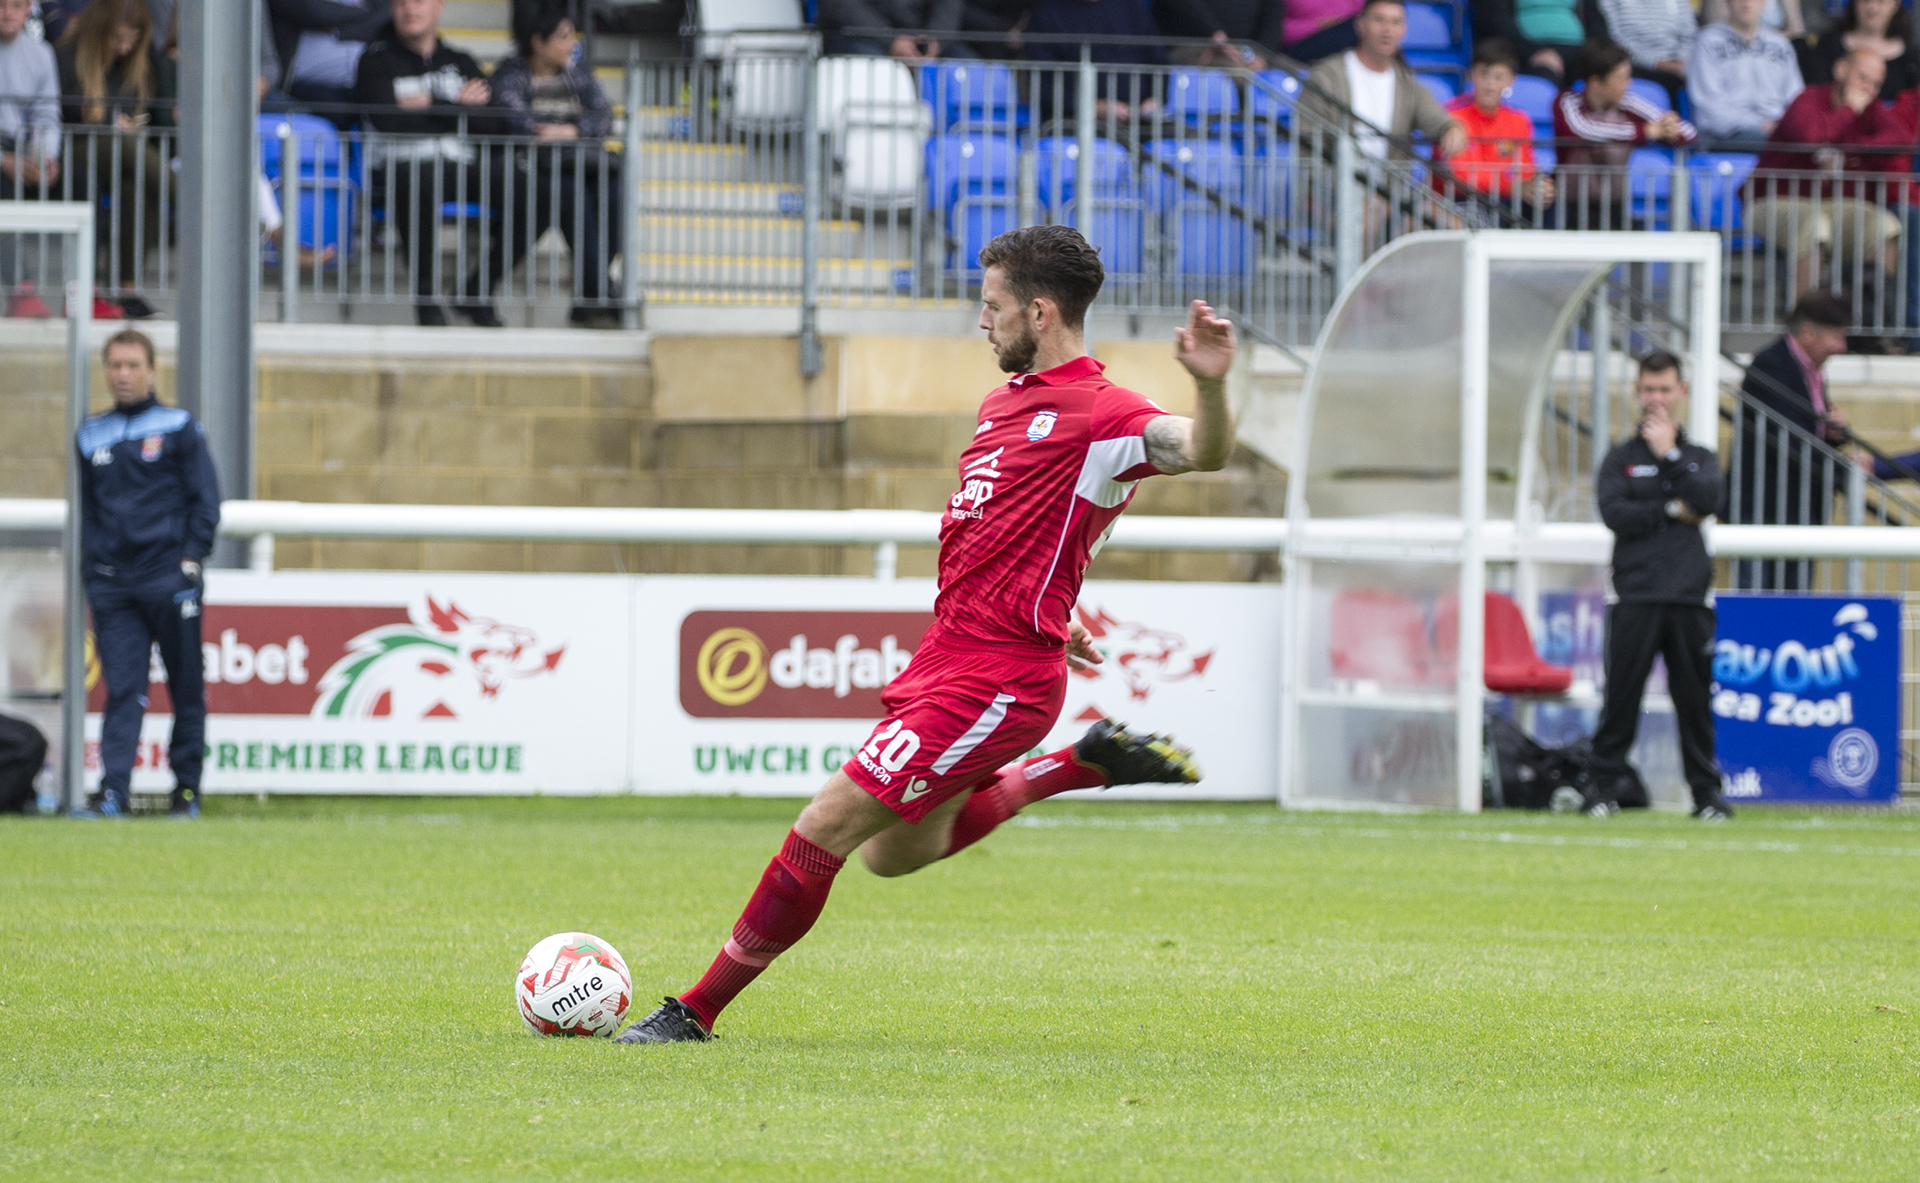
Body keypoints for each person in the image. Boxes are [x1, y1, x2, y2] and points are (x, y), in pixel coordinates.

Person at [614, 225, 1234, 1044]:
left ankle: (694, 1010)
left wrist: (1214, 390)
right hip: (950, 656)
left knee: (825, 823)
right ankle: (1077, 764)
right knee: (892, 855)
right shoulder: (1003, 404)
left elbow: (1201, 450)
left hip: (1001, 679)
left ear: (1041, 313)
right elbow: (1022, 530)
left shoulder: (1104, 412)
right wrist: (1056, 604)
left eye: (993, 307)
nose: (982, 322)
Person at [73, 328, 220, 820]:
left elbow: (206, 500)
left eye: (133, 365)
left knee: (185, 686)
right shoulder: (90, 433)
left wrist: (191, 559)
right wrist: (92, 571)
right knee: (122, 690)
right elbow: (88, 512)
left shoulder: (178, 426)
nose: (123, 375)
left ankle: (186, 793)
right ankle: (114, 792)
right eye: (115, 365)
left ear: (152, 370)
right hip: (114, 584)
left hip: (167, 578)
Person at [1589, 351, 1733, 822]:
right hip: (1636, 594)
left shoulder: (1697, 457)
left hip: (1689, 597)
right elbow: (1616, 515)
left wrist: (1669, 457)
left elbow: (1709, 499)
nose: (1655, 399)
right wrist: (1673, 510)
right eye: (1648, 389)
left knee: (1694, 702)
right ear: (1637, 391)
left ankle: (1706, 796)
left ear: (1681, 392)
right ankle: (1601, 790)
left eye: (1664, 389)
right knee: (1621, 699)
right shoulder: (1619, 458)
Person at [353, 0, 510, 327]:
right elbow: (389, 122)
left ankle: (477, 288)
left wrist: (429, 105)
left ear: (438, 6)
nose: (410, 9)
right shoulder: (375, 60)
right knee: (419, 180)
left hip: (460, 166)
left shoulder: (460, 61)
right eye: (401, 2)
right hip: (402, 167)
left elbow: (492, 124)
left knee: (540, 189)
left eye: (419, 1)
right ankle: (426, 301)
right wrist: (457, 109)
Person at [484, 2, 620, 328]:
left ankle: (593, 292)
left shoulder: (577, 73)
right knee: (570, 192)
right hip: (530, 170)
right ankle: (598, 294)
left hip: (578, 166)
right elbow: (526, 127)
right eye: (563, 37)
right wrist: (568, 128)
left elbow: (604, 116)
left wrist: (571, 130)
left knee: (615, 188)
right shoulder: (510, 75)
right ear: (537, 42)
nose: (572, 44)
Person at [1746, 49, 1907, 302]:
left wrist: (1848, 147)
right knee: (1814, 224)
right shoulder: (1808, 99)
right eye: (1863, 78)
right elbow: (1813, 136)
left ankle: (1874, 324)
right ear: (1841, 69)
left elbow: (1901, 137)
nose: (1869, 89)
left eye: (1876, 84)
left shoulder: (1872, 109)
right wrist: (1849, 110)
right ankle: (1803, 325)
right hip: (1772, 200)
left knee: (1885, 225)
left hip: (1831, 205)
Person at [1732, 294, 1852, 589]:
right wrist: (1843, 469)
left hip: (1801, 506)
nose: (1842, 347)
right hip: (1766, 508)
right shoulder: (1770, 365)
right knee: (1759, 601)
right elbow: (1785, 438)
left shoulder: (1812, 370)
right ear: (1809, 333)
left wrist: (1835, 433)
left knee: (1795, 599)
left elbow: (1809, 433)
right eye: (1837, 337)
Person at [56, 0, 166, 319]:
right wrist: (109, 125)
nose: (125, 47)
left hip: (118, 157)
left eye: (133, 40)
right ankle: (193, 196)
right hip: (74, 151)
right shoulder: (67, 57)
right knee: (128, 149)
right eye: (118, 38)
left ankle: (126, 290)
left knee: (138, 183)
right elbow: (63, 115)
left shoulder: (136, 67)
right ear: (98, 30)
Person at [1299, 0, 1467, 163]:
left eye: (1395, 22)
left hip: (1390, 190)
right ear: (1360, 25)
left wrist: (1450, 129)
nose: (1387, 30)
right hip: (1336, 189)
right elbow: (1307, 144)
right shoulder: (1325, 77)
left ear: (1404, 30)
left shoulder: (1408, 85)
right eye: (1379, 20)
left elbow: (1435, 119)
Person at [1551, 41, 1695, 229]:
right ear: (1595, 83)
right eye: (1621, 78)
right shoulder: (1566, 102)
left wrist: (1669, 127)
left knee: (1640, 242)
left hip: (1615, 208)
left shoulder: (1628, 104)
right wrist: (1645, 132)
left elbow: (1688, 132)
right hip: (1569, 210)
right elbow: (1582, 130)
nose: (1629, 83)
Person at [1435, 40, 1554, 214]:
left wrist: (1539, 188)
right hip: (1456, 201)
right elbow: (1459, 176)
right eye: (1483, 74)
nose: (1490, 84)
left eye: (1498, 77)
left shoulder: (1518, 120)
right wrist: (1512, 186)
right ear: (1471, 75)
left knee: (1544, 205)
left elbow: (1526, 170)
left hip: (1503, 200)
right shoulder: (1451, 116)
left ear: (1511, 81)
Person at [0, 0, 61, 318]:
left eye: (16, 5)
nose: (7, 12)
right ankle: (20, 287)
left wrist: (47, 156)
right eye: (1, 5)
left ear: (28, 10)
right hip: (3, 156)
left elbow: (47, 114)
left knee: (79, 182)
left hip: (24, 146)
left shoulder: (41, 54)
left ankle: (83, 290)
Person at [1025, 0, 1166, 127]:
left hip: (1138, 122)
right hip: (1072, 123)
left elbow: (1158, 60)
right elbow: (1042, 83)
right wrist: (1091, 107)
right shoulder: (1047, 13)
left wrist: (1154, 99)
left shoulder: (1132, 7)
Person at [1689, 0, 1804, 143]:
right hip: (1725, 136)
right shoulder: (1707, 42)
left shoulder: (1781, 44)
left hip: (1778, 132)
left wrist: (1784, 126)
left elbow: (1797, 100)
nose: (1747, 3)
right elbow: (1710, 111)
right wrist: (1760, 125)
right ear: (1728, 2)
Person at [271, 0, 392, 119]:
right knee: (338, 112)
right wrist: (365, 12)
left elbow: (386, 15)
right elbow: (315, 11)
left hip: (365, 82)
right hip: (307, 84)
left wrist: (338, 31)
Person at [1800, 0, 1920, 103]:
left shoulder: (1912, 57)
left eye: (1881, 1)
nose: (1872, 7)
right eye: (1865, 0)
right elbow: (1814, 95)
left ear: (1895, 4)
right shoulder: (1828, 44)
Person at [1594, 0, 1695, 105]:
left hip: (1680, 63)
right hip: (1635, 64)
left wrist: (1681, 60)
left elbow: (1689, 35)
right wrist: (1656, 63)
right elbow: (1616, 40)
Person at [1468, 0, 1593, 83]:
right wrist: (1531, 53)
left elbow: (1594, 18)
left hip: (1579, 50)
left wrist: (1598, 53)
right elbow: (1494, 20)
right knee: (1545, 77)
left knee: (1599, 75)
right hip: (1523, 52)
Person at [817, 0, 969, 62]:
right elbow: (839, 5)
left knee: (968, 65)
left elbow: (949, 7)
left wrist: (934, 41)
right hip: (861, 35)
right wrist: (891, 41)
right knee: (875, 66)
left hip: (922, 39)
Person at [1150, 0, 1279, 67]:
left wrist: (1262, 55)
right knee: (1241, 75)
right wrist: (1214, 34)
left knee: (1298, 81)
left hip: (1250, 51)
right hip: (1197, 47)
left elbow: (1273, 14)